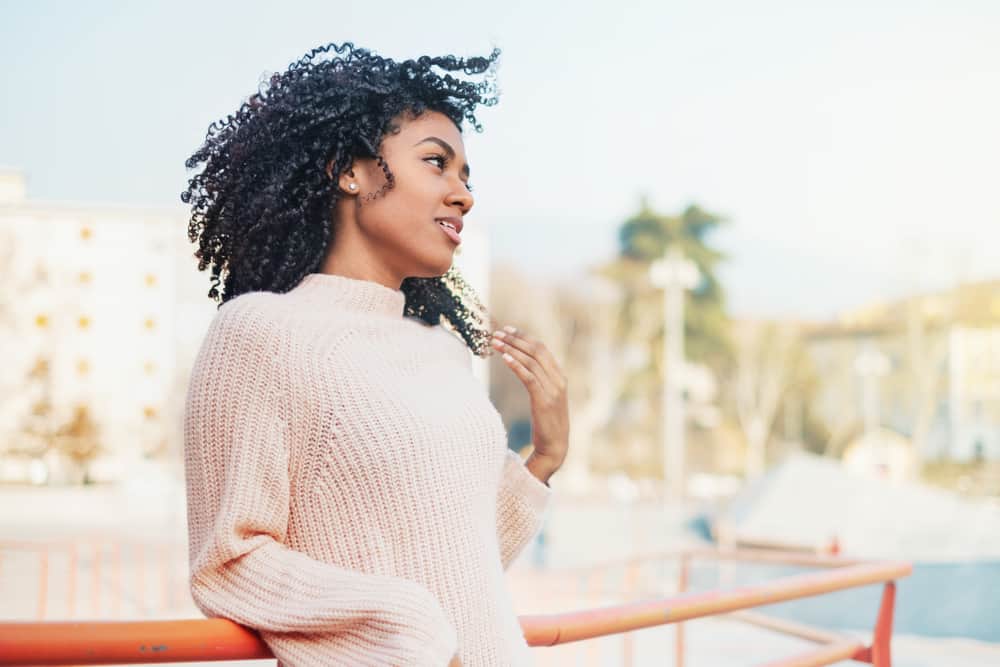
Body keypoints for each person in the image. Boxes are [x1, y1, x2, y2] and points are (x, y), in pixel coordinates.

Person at [180, 42, 570, 666]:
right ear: (349, 170)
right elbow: (228, 563)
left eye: (466, 176)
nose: (463, 194)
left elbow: (459, 563)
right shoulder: (259, 333)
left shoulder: (440, 351)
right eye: (437, 163)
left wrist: (543, 461)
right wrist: (408, 628)